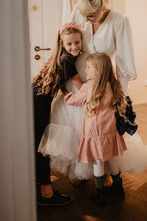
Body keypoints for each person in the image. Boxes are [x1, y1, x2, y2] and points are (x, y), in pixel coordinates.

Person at [39, 0, 147, 181]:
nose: (86, 19)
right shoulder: (80, 13)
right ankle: (82, 174)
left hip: (102, 82)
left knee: (104, 129)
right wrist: (65, 76)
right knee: (78, 130)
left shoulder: (119, 21)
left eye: (91, 16)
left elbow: (124, 60)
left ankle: (108, 175)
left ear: (102, 7)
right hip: (78, 80)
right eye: (84, 15)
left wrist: (121, 93)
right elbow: (66, 42)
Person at [64, 53, 128, 206]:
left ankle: (99, 194)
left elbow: (73, 100)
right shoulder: (112, 84)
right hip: (110, 130)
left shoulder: (89, 87)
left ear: (98, 71)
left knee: (98, 162)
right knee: (111, 158)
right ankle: (118, 188)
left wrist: (67, 95)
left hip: (95, 132)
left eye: (88, 67)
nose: (85, 70)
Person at [33, 23, 82, 206]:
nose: (74, 47)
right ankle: (46, 193)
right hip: (38, 102)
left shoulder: (61, 57)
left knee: (38, 142)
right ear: (62, 44)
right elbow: (82, 87)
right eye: (69, 44)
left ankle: (39, 187)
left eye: (77, 42)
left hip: (36, 99)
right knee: (41, 144)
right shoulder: (66, 60)